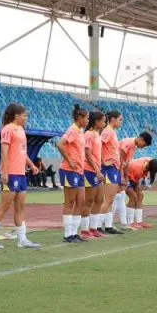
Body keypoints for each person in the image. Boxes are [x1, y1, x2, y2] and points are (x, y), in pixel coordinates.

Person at [0, 102, 41, 250]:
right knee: (5, 205)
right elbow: (4, 151)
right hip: (12, 173)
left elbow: (22, 151)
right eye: (24, 115)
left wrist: (31, 164)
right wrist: (4, 171)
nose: (26, 117)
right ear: (16, 116)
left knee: (20, 207)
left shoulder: (21, 129)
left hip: (21, 173)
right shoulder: (8, 129)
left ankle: (22, 239)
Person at [57, 104, 89, 243]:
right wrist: (69, 160)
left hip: (79, 171)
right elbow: (60, 144)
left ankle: (74, 233)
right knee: (70, 202)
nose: (88, 120)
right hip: (70, 170)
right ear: (79, 118)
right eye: (86, 118)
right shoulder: (73, 130)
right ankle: (67, 235)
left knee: (80, 202)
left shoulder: (80, 131)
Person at [114, 131, 152, 229]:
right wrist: (121, 175)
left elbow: (127, 163)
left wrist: (125, 176)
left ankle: (129, 223)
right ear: (141, 139)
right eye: (144, 145)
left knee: (121, 197)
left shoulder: (134, 146)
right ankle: (122, 223)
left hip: (122, 172)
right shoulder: (128, 143)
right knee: (117, 197)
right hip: (115, 170)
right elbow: (120, 160)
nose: (143, 147)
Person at [98, 109, 125, 235]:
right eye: (120, 119)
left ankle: (108, 225)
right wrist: (103, 161)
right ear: (113, 119)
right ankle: (97, 226)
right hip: (108, 168)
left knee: (111, 199)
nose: (121, 122)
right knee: (108, 199)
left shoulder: (112, 132)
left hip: (113, 168)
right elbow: (98, 145)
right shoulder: (108, 131)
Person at [124, 157, 157, 229]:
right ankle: (130, 223)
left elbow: (139, 181)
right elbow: (133, 179)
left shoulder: (150, 161)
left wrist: (139, 188)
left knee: (140, 195)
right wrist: (137, 187)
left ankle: (139, 221)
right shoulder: (138, 168)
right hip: (125, 177)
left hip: (132, 176)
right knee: (133, 196)